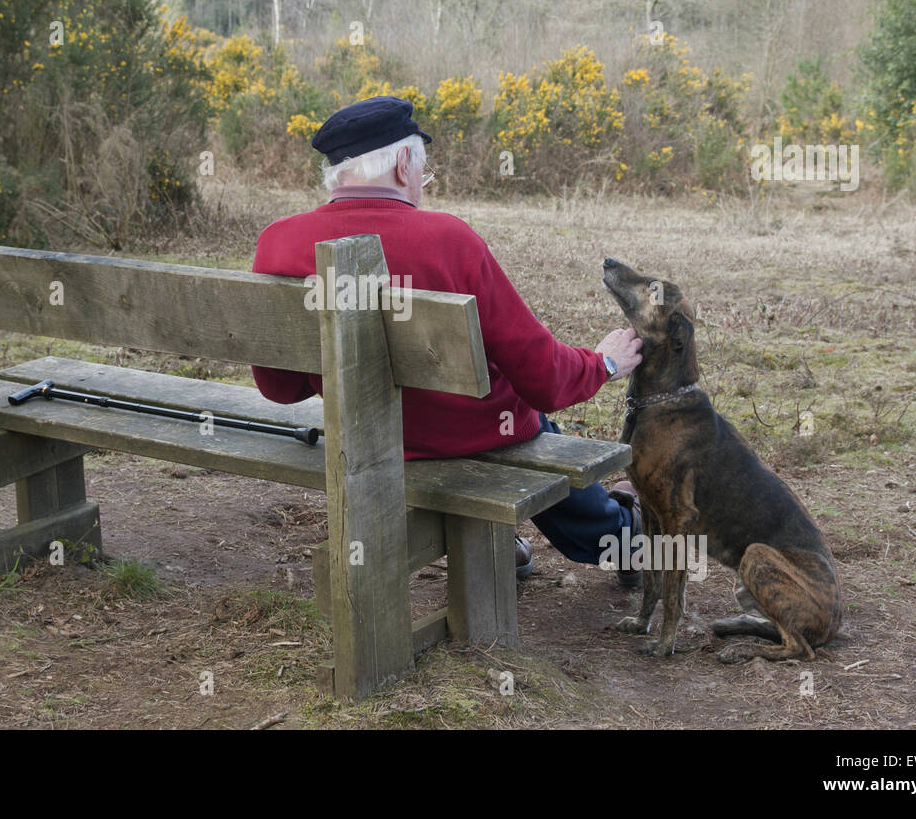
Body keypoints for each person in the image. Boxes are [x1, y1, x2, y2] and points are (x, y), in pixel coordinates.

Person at [250, 96, 645, 585]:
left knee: (519, 423)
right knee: (528, 423)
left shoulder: (279, 240)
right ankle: (625, 538)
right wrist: (602, 363)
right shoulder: (450, 239)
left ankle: (506, 537)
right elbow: (543, 379)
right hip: (473, 435)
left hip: (367, 436)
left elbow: (280, 389)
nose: (423, 183)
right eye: (423, 169)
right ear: (400, 163)